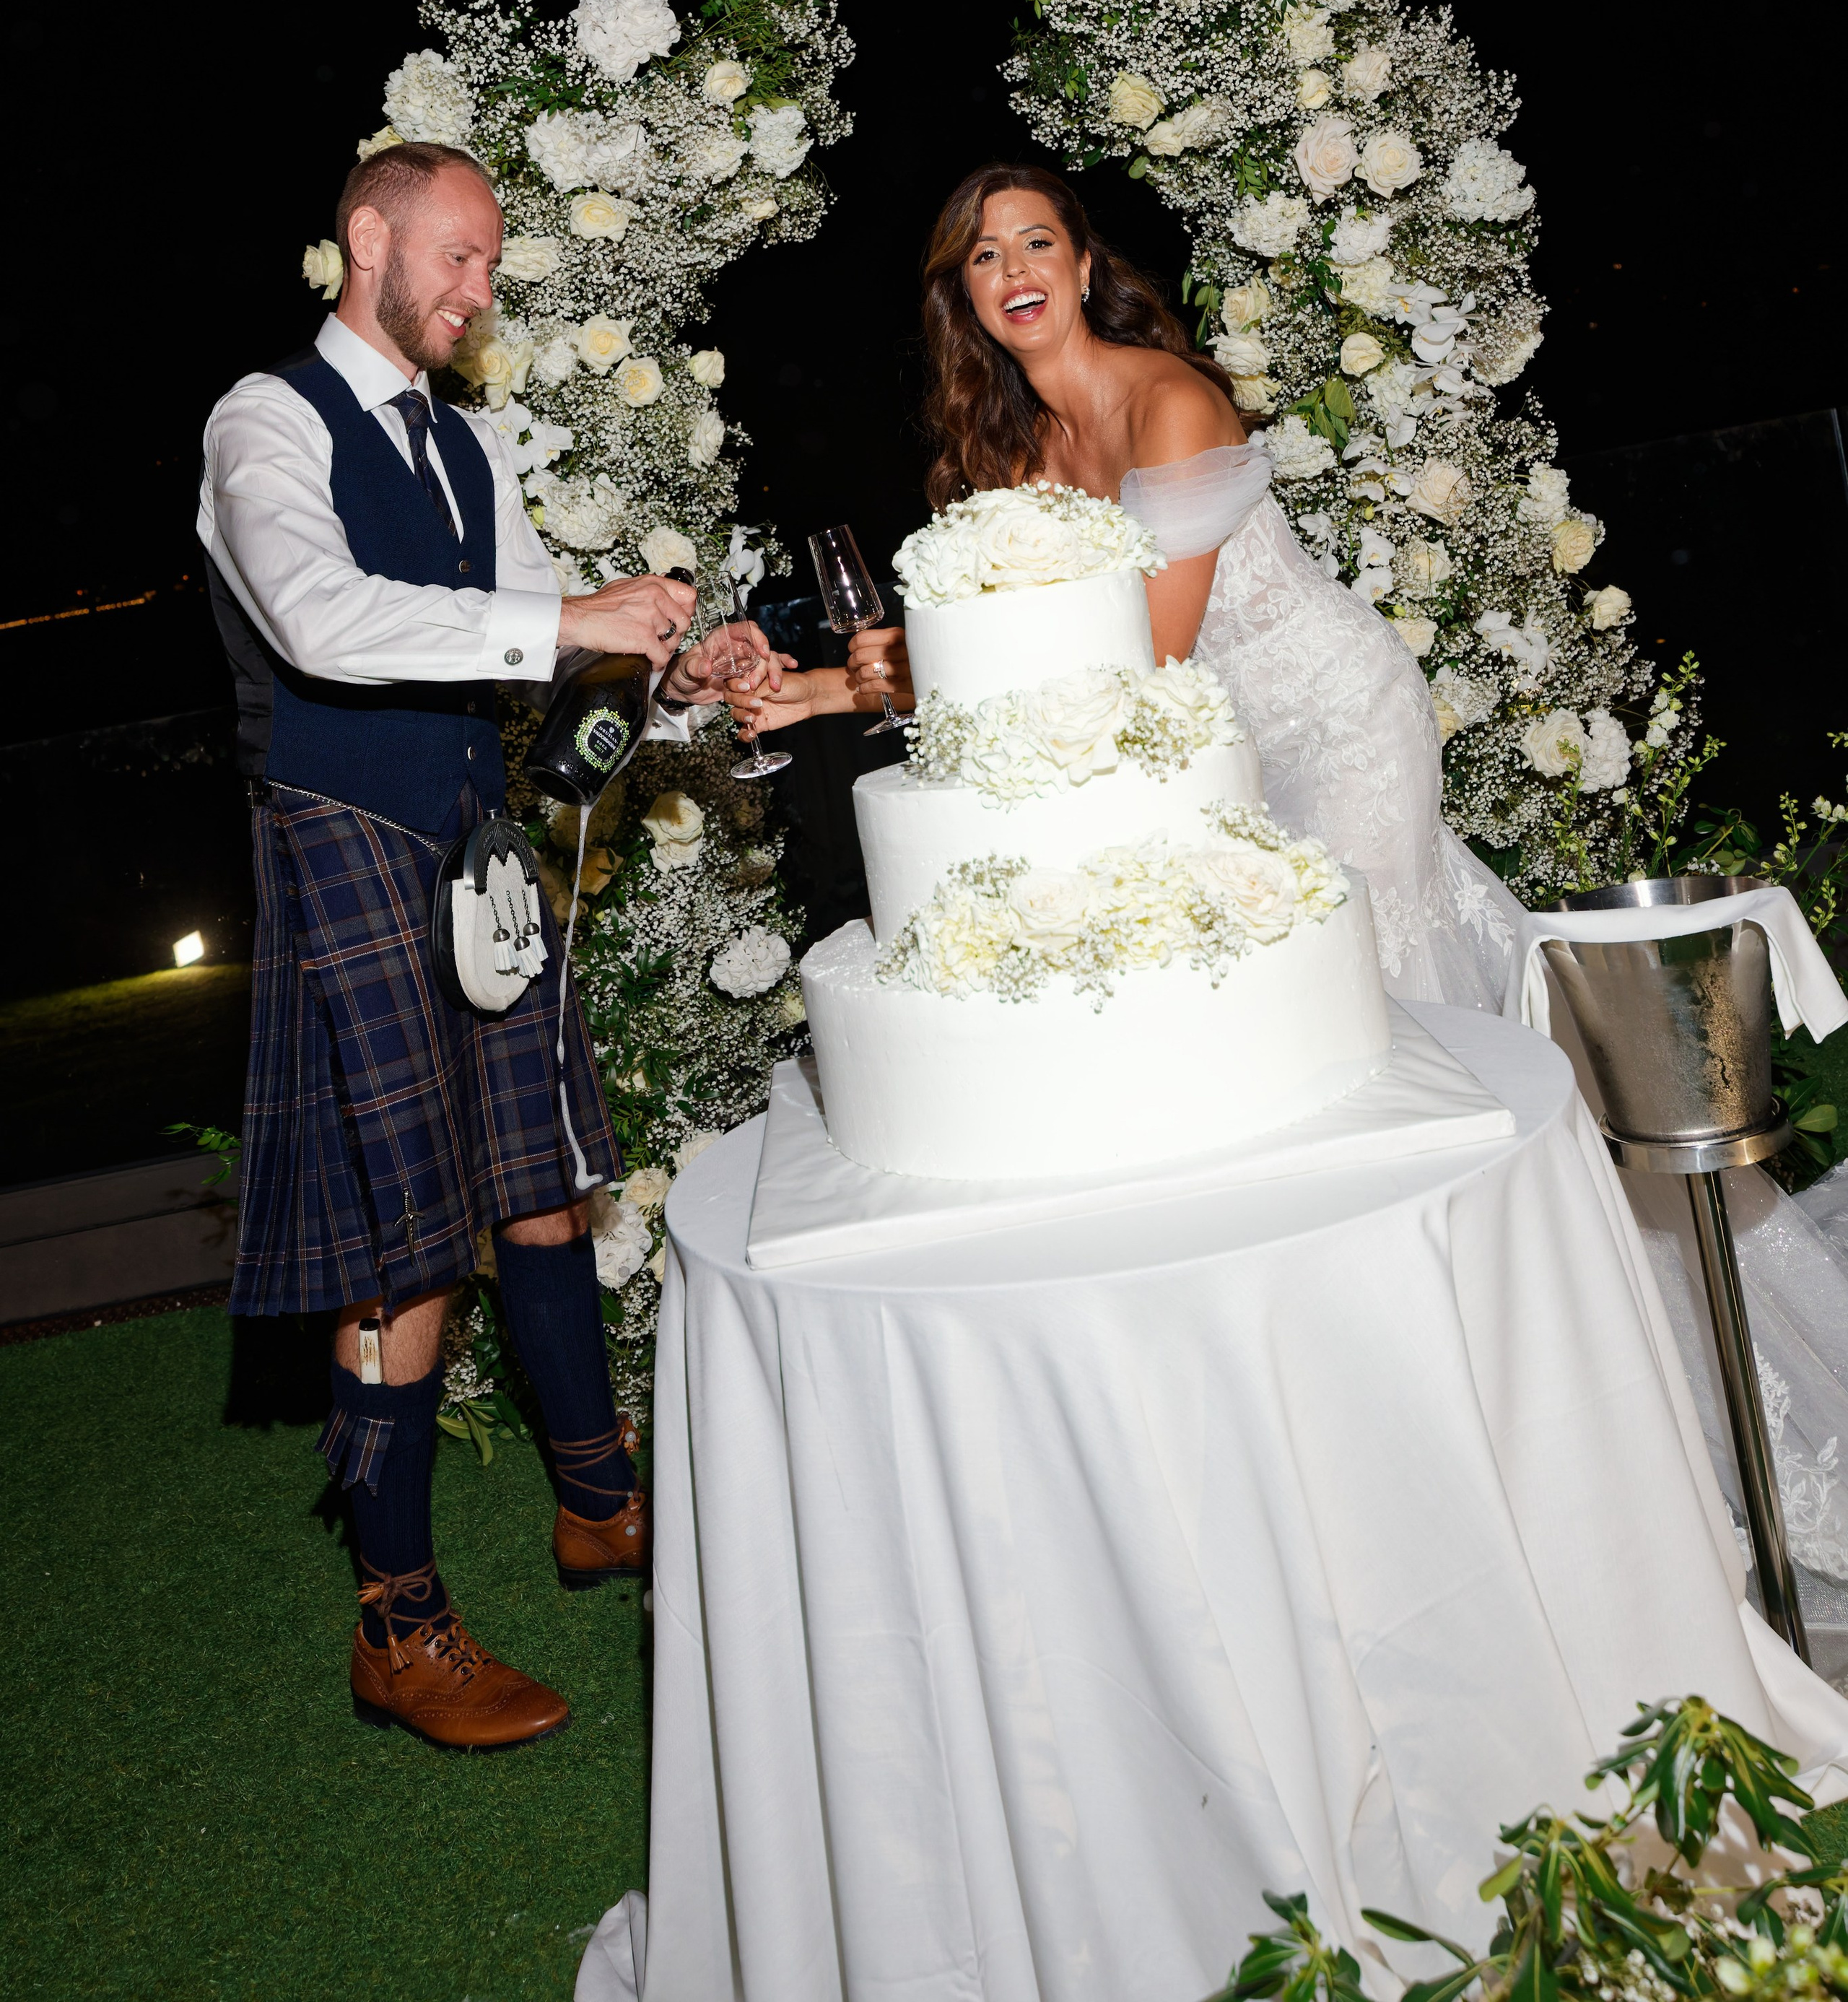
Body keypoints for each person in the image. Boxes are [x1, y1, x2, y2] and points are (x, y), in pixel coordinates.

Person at [199, 139, 774, 1749]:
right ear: (366, 239)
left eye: (491, 268)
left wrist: (667, 666)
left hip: (473, 847)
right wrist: (573, 620)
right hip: (342, 842)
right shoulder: (263, 421)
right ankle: (399, 1627)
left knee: (539, 1180)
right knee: (404, 1243)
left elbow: (536, 653)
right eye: (458, 257)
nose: (478, 291)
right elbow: (320, 621)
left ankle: (598, 1505)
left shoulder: (464, 444)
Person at [736, 160, 1522, 1009]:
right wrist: (821, 690)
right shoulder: (1010, 455)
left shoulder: (1170, 405)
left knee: (1361, 983)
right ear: (964, 297)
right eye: (985, 257)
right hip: (1202, 748)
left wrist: (908, 666)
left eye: (1037, 244)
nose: (1015, 271)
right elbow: (1023, 654)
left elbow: (1145, 656)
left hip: (1335, 722)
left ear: (1081, 268)